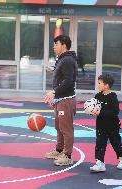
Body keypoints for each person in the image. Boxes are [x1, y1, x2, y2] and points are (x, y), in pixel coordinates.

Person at [44, 35, 77, 166]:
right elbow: (61, 80)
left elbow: (69, 81)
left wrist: (54, 92)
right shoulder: (62, 59)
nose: (54, 46)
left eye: (56, 44)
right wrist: (55, 96)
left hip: (66, 100)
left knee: (66, 128)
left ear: (64, 45)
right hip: (60, 99)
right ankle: (59, 150)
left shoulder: (68, 60)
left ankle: (67, 155)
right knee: (59, 126)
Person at [90, 74, 122, 172]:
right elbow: (94, 107)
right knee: (100, 144)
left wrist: (100, 112)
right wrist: (91, 110)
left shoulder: (112, 96)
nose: (97, 85)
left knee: (116, 143)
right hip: (100, 125)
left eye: (99, 83)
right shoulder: (97, 96)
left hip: (112, 126)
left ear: (106, 85)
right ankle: (100, 163)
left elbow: (115, 112)